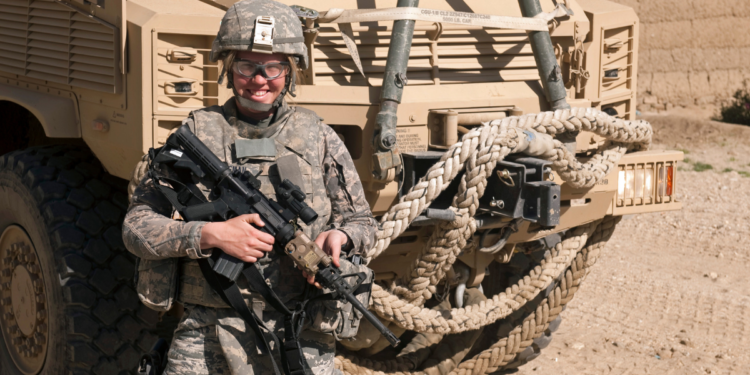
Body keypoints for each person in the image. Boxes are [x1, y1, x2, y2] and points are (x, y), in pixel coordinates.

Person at [122, 0, 378, 374]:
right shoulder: (195, 134)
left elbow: (364, 223)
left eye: (273, 66)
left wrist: (340, 237)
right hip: (208, 328)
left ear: (290, 72)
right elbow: (136, 227)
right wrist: (209, 234)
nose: (260, 79)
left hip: (299, 327)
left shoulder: (319, 137)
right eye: (246, 65)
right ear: (228, 68)